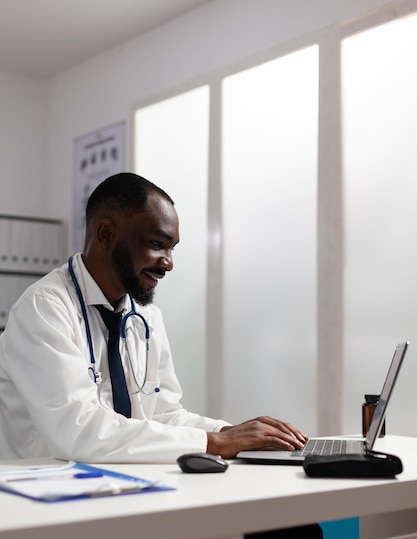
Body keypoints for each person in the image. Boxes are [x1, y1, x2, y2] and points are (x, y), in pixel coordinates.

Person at [0, 173, 308, 462]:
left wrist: (228, 433)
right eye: (157, 244)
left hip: (122, 481)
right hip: (45, 494)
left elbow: (163, 416)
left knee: (296, 522)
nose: (169, 264)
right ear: (107, 233)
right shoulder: (44, 309)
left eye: (172, 249)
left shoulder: (146, 316)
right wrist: (214, 443)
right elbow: (78, 432)